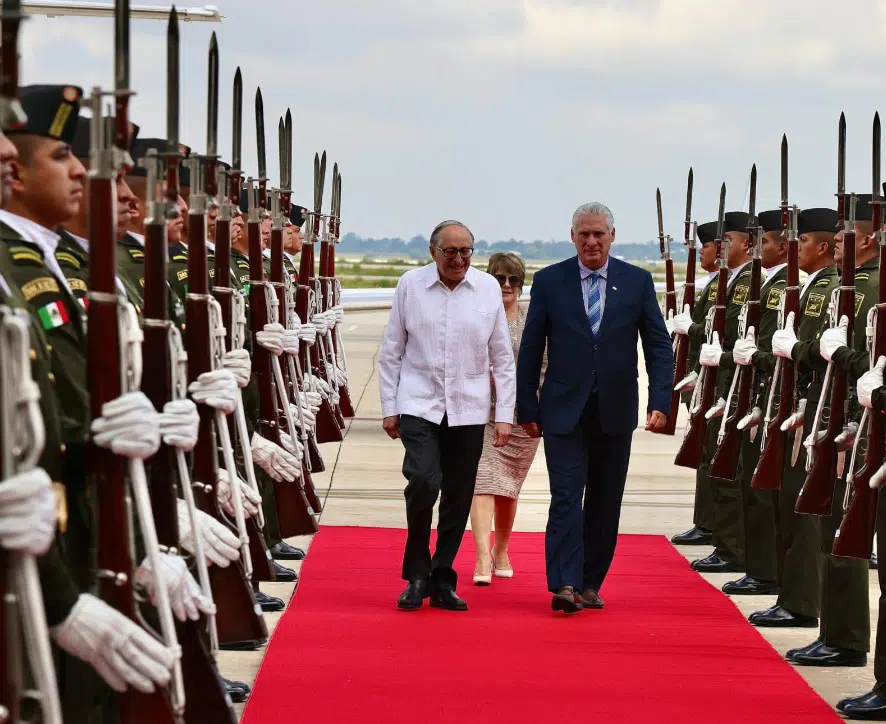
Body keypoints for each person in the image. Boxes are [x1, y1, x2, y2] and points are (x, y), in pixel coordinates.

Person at [516, 202, 673, 614]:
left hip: (616, 409)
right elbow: (532, 347)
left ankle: (589, 582)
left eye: (598, 234)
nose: (591, 241)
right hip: (563, 409)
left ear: (612, 236)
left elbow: (658, 345)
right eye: (583, 234)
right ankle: (564, 583)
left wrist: (661, 400)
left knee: (605, 499)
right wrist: (526, 406)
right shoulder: (550, 281)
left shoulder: (637, 282)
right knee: (566, 495)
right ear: (572, 237)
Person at [378, 219, 515, 612]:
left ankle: (442, 578)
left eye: (466, 252)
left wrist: (503, 414)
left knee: (458, 495)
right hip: (419, 402)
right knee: (422, 480)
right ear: (433, 251)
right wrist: (390, 408)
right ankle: (416, 574)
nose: (458, 259)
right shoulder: (411, 285)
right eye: (450, 251)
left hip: (469, 407)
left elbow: (502, 359)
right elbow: (392, 352)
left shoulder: (487, 289)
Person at [470, 252, 544, 584]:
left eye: (514, 280)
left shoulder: (534, 319)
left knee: (508, 488)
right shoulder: (477, 315)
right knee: (483, 481)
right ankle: (482, 558)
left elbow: (547, 365)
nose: (507, 285)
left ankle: (501, 550)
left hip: (524, 416)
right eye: (500, 278)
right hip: (483, 413)